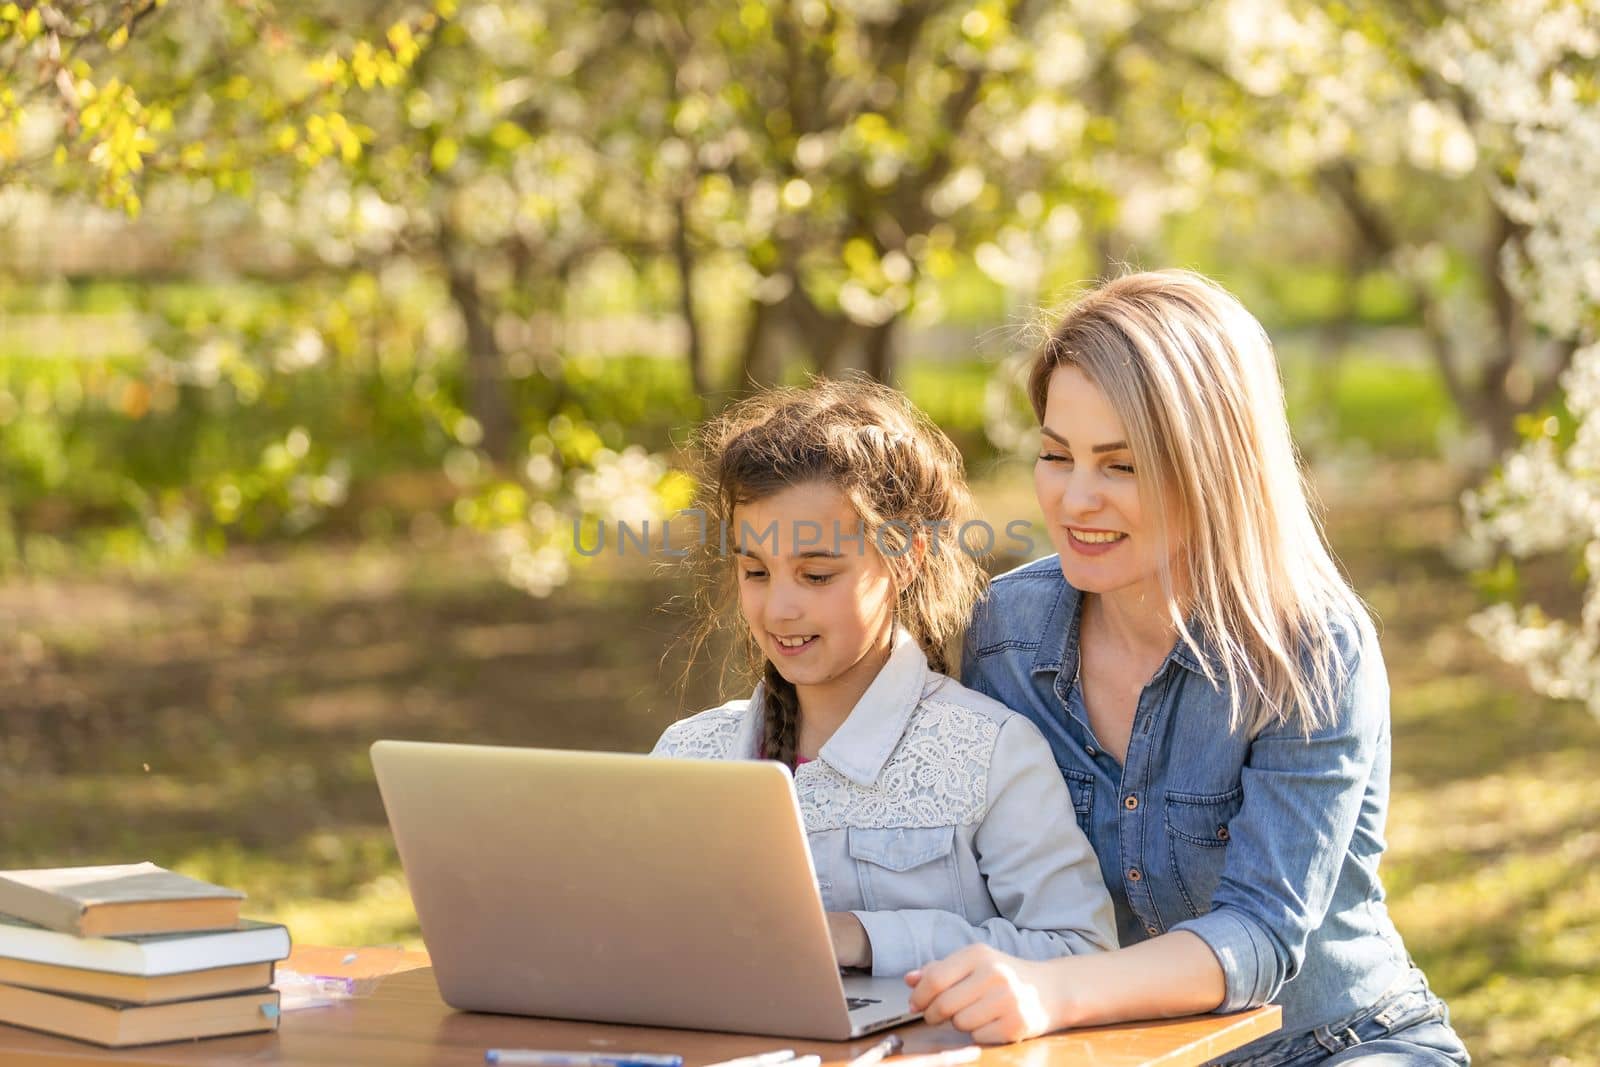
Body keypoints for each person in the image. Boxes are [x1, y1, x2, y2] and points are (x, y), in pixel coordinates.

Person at [906, 271, 1470, 1064]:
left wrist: (1047, 990)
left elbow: (1260, 934)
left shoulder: (1311, 649)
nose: (1074, 498)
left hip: (1340, 1043)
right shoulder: (1005, 632)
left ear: (1215, 467)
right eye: (1055, 455)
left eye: (1121, 466)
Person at [652, 380, 1117, 977]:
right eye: (756, 571)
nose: (779, 609)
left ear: (906, 557)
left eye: (816, 575)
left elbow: (1081, 949)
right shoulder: (685, 757)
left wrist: (867, 938)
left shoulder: (988, 754)